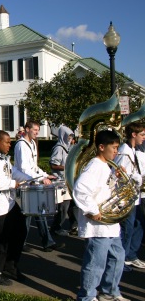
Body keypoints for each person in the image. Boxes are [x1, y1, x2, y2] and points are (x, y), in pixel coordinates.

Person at [73, 130, 128, 301]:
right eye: (114, 147)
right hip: (98, 225)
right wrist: (92, 210)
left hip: (110, 224)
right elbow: (80, 189)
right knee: (96, 263)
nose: (116, 151)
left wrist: (115, 177)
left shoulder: (105, 165)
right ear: (101, 147)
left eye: (117, 147)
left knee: (118, 258)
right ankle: (87, 296)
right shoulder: (94, 166)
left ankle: (109, 292)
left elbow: (104, 188)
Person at [0, 130, 32, 286]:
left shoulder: (3, 158)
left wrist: (33, 179)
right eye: (7, 142)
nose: (10, 144)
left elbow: (13, 172)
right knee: (0, 240)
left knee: (20, 231)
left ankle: (10, 265)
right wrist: (11, 184)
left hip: (8, 203)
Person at [14, 120, 61, 252]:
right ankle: (21, 242)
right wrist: (41, 178)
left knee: (39, 212)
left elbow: (33, 166)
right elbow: (24, 168)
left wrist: (45, 175)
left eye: (38, 130)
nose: (37, 133)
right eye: (35, 130)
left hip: (33, 182)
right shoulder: (21, 145)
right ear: (27, 129)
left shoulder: (32, 143)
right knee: (28, 215)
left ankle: (47, 242)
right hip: (25, 183)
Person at [114, 122, 145, 271]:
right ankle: (122, 259)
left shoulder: (132, 150)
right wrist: (138, 178)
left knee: (138, 224)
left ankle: (130, 255)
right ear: (134, 135)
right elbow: (118, 174)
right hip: (126, 198)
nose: (144, 138)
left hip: (134, 195)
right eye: (142, 135)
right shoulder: (124, 151)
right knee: (127, 229)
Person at [49, 125, 75, 236]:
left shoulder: (67, 147)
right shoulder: (59, 148)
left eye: (71, 136)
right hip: (60, 181)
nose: (70, 139)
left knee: (72, 205)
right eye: (68, 136)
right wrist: (68, 167)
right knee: (63, 207)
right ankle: (56, 227)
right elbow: (53, 164)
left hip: (67, 180)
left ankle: (73, 225)